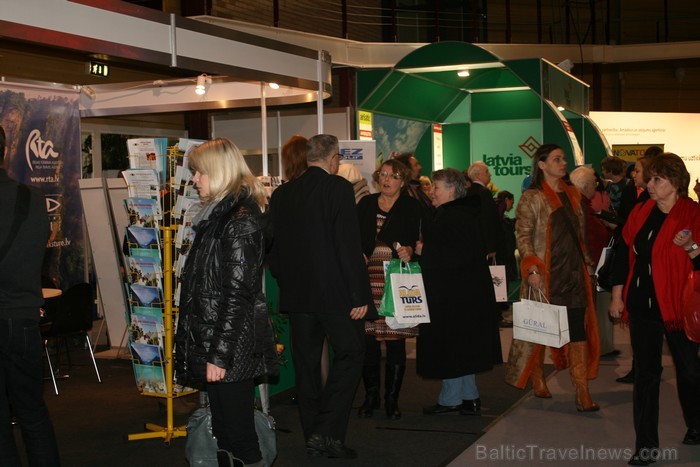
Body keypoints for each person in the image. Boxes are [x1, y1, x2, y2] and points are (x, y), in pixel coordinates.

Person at [174, 138, 278, 467]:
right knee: (223, 430)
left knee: (239, 435)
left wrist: (219, 355)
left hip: (231, 347)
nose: (194, 180)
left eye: (199, 173)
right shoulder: (217, 217)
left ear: (217, 172)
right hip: (219, 344)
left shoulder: (239, 220)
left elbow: (238, 294)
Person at [268, 134, 371, 459]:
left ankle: (315, 434)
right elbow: (347, 245)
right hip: (336, 295)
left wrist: (287, 281)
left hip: (298, 296)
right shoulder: (337, 188)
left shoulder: (282, 194)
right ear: (333, 159)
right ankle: (328, 431)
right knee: (352, 353)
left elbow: (274, 248)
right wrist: (359, 294)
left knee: (307, 366)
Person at [609, 153, 700, 466]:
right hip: (642, 306)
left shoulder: (693, 215)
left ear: (675, 183)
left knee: (689, 371)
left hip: (677, 309)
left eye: (656, 179)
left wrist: (691, 248)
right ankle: (645, 446)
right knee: (646, 377)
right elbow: (623, 252)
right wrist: (617, 295)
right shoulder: (641, 210)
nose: (649, 184)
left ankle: (696, 423)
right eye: (649, 178)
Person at [505, 144, 600, 412]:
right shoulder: (532, 198)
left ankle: (582, 392)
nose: (563, 163)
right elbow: (523, 237)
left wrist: (588, 264)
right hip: (546, 276)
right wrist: (532, 268)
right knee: (539, 330)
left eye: (563, 159)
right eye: (557, 159)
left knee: (577, 331)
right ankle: (537, 378)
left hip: (574, 274)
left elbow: (580, 235)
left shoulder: (573, 194)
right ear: (542, 165)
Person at [416, 168, 501, 417]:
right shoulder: (466, 213)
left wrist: (424, 251)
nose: (433, 191)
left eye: (437, 187)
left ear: (452, 189)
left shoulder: (451, 216)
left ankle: (452, 398)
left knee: (451, 346)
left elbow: (452, 256)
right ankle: (468, 397)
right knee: (464, 347)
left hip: (452, 294)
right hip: (467, 293)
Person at [0, 125, 61, 466]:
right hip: (24, 319)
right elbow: (36, 253)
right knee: (32, 413)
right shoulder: (33, 199)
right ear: (5, 150)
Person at [356, 159, 423, 420]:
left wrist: (412, 252)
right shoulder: (365, 204)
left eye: (393, 176)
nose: (386, 180)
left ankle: (392, 400)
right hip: (367, 279)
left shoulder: (412, 207)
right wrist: (357, 254)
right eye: (382, 174)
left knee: (395, 341)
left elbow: (422, 243)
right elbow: (353, 239)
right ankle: (371, 396)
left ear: (403, 181)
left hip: (397, 281)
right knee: (368, 338)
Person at [570, 166, 616, 356]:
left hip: (590, 268)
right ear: (586, 186)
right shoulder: (580, 208)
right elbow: (588, 241)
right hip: (591, 270)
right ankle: (595, 349)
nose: (596, 187)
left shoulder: (581, 206)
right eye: (594, 184)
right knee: (593, 312)